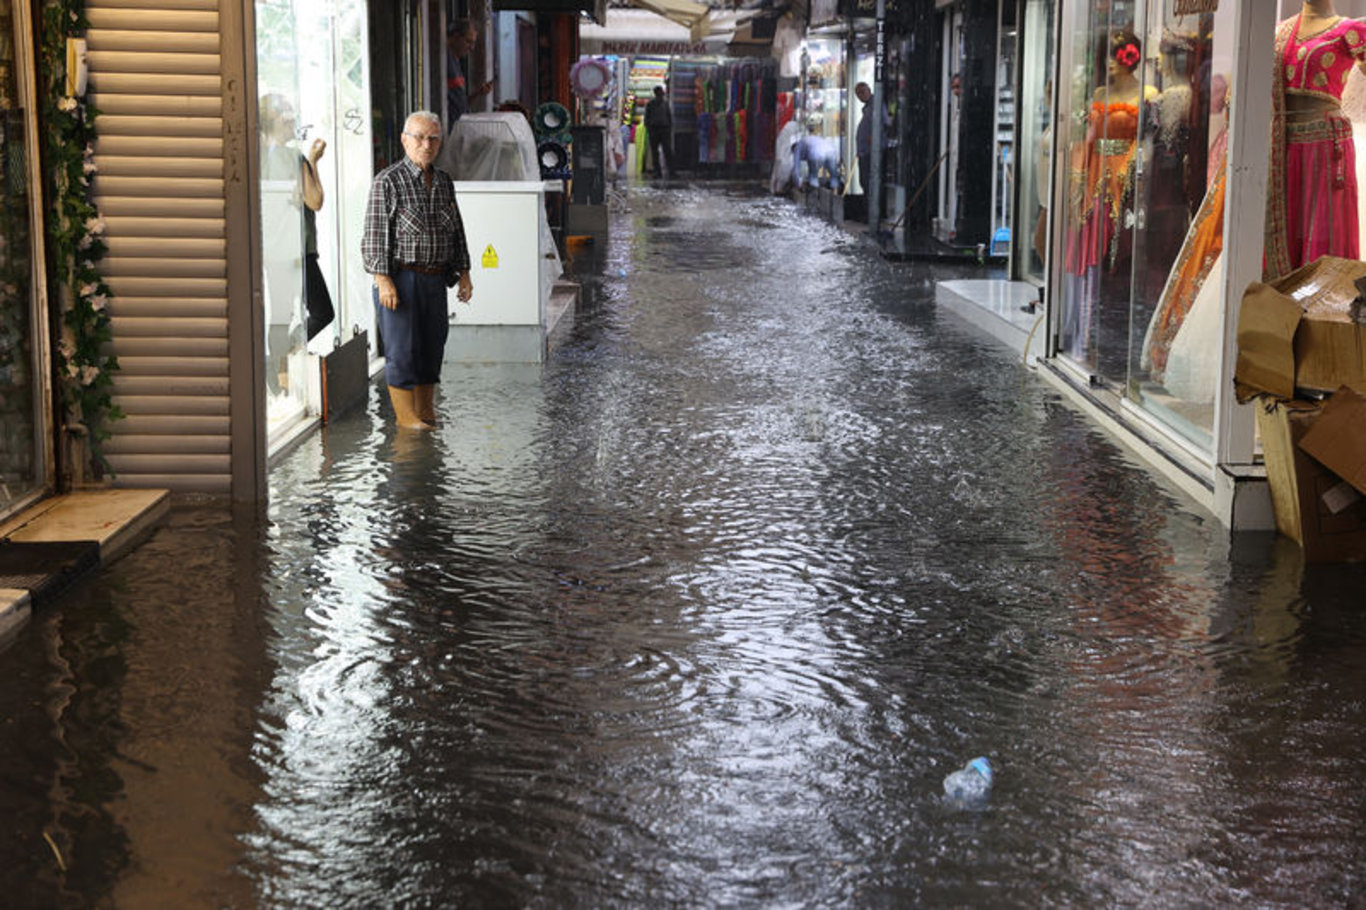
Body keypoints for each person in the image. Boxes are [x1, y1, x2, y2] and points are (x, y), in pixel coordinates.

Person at [361, 111, 473, 430]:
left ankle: (426, 411)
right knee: (402, 349)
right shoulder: (388, 181)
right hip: (400, 279)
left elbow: (457, 232)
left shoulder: (443, 181)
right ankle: (406, 418)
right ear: (404, 140)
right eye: (419, 137)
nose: (426, 144)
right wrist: (383, 281)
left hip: (435, 277)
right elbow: (373, 236)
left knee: (432, 345)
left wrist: (464, 274)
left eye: (433, 138)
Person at [1264, 1, 1366, 281]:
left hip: (1324, 150)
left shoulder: (1351, 31)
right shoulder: (1277, 32)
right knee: (1285, 229)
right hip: (1280, 148)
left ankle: (1320, 311)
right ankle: (1275, 313)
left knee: (1323, 230)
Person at [300, 134, 334, 341]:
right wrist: (312, 162)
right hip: (300, 250)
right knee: (322, 313)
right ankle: (287, 352)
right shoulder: (294, 159)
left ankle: (281, 363)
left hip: (276, 249)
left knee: (283, 316)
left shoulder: (263, 159)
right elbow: (315, 200)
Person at [446, 19, 493, 128]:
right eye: (468, 41)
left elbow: (461, 104)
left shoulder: (456, 62)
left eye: (473, 43)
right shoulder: (445, 60)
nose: (471, 48)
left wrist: (478, 94)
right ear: (456, 36)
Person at [854, 81, 888, 200]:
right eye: (858, 94)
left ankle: (871, 209)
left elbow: (885, 123)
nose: (861, 95)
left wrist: (875, 138)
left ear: (869, 90)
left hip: (871, 152)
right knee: (864, 181)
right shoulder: (868, 107)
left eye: (863, 92)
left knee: (869, 182)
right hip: (865, 152)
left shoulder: (876, 105)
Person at [643, 85, 673, 177]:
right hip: (656, 130)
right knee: (658, 151)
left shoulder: (664, 104)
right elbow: (647, 118)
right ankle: (661, 171)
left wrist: (669, 128)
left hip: (662, 129)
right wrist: (649, 128)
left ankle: (667, 171)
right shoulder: (654, 104)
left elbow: (669, 117)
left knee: (665, 151)